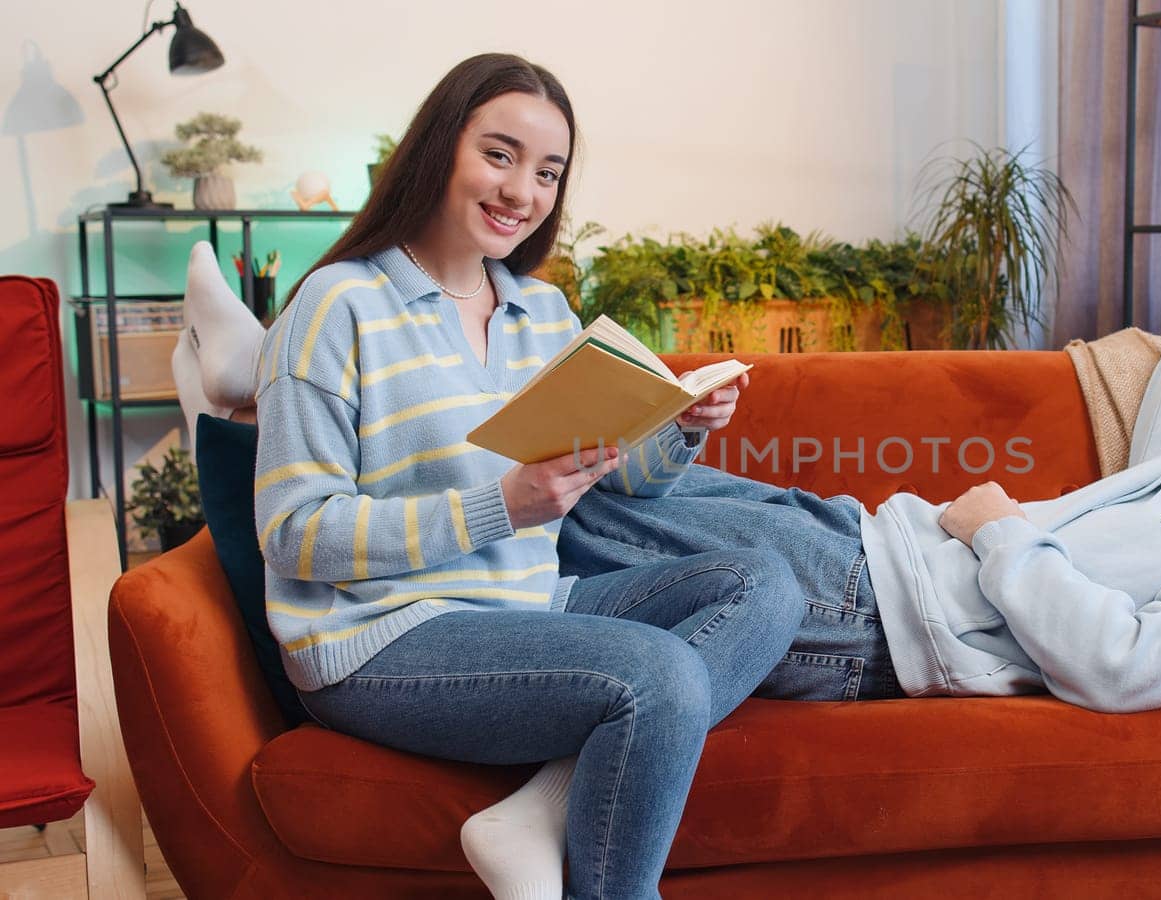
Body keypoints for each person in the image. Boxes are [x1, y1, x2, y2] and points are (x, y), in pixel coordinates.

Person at [250, 54, 800, 900]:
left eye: (547, 172)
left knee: (766, 584)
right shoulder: (337, 305)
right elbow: (295, 533)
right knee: (658, 675)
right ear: (440, 148)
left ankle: (540, 809)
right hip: (381, 637)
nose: (522, 192)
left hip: (527, 606)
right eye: (499, 155)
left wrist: (680, 429)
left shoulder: (542, 311)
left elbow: (622, 480)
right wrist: (497, 507)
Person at [558, 319, 1161, 713]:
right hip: (865, 540)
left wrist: (999, 531)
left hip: (873, 615)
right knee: (616, 479)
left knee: (578, 508)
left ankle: (436, 593)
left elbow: (1122, 665)